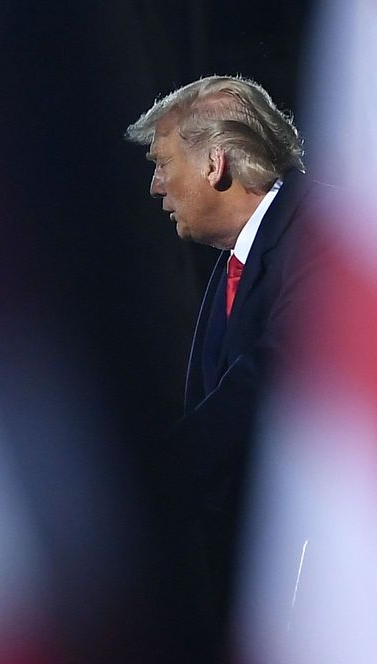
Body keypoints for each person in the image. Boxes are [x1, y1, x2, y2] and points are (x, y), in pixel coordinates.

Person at [126, 74, 317, 642]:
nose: (156, 187)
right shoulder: (234, 265)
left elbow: (276, 376)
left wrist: (156, 483)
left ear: (215, 164)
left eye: (162, 164)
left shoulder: (318, 229)